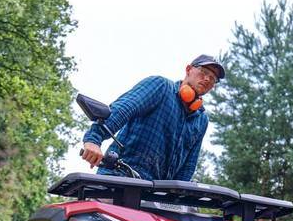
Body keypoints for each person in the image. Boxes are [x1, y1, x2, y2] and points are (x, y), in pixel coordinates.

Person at [80, 54, 224, 181]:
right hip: (120, 179)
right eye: (203, 72)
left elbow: (188, 166)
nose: (207, 79)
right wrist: (94, 139)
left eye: (213, 79)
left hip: (155, 195)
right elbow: (122, 109)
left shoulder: (201, 120)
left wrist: (177, 196)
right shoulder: (161, 87)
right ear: (188, 69)